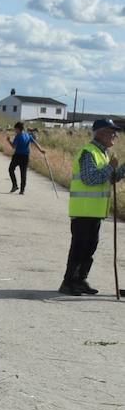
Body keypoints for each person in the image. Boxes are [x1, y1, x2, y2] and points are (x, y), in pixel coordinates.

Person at [60, 118, 125, 296]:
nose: (115, 135)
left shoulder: (102, 153)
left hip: (94, 211)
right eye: (112, 132)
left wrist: (120, 170)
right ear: (101, 133)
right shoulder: (88, 152)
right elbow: (91, 179)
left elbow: (108, 179)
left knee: (90, 247)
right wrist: (110, 168)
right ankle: (69, 282)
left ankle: (80, 280)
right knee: (79, 247)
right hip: (83, 210)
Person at [6, 123, 34, 194]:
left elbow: (14, 147)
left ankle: (15, 185)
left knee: (11, 169)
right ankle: (22, 190)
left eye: (15, 129)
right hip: (25, 156)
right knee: (23, 173)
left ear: (18, 129)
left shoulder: (18, 136)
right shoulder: (28, 135)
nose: (15, 130)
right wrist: (41, 150)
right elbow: (35, 142)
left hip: (17, 156)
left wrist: (9, 141)